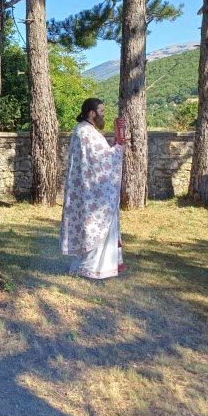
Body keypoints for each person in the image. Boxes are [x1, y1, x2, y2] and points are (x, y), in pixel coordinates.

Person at [60, 98, 125, 280]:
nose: (103, 115)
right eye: (101, 111)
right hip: (91, 191)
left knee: (86, 225)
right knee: (95, 224)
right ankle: (93, 268)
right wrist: (119, 146)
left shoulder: (82, 130)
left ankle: (86, 266)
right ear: (92, 113)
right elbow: (102, 160)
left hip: (85, 189)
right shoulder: (86, 133)